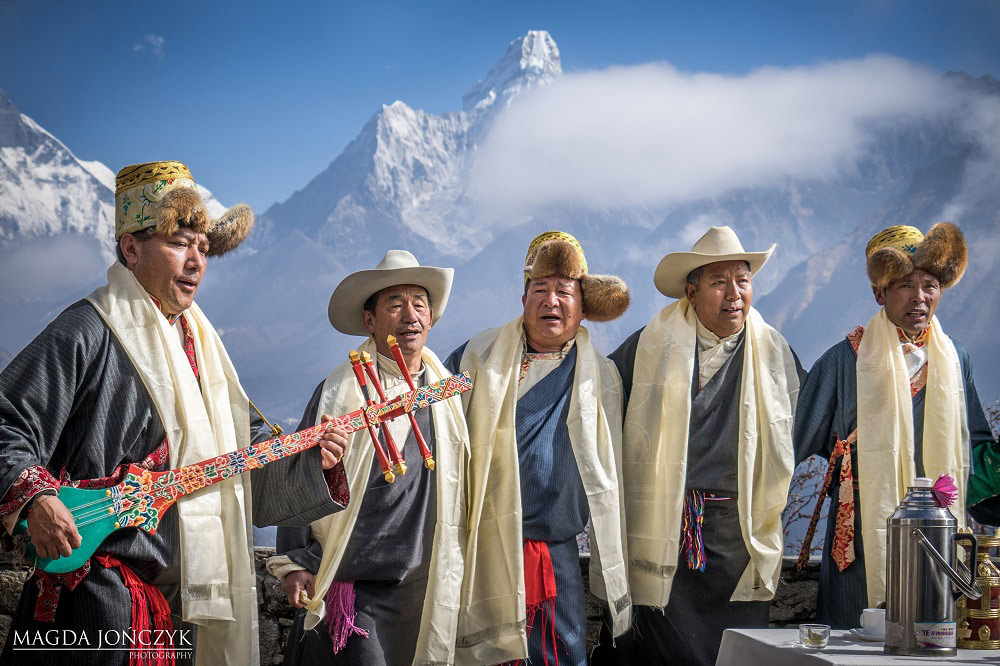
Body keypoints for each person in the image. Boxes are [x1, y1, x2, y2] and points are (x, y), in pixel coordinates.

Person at [0, 161, 349, 665]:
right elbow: (7, 418)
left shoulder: (204, 351)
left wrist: (312, 461)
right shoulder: (87, 330)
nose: (196, 261)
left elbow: (243, 456)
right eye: (179, 242)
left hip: (184, 603)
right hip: (97, 600)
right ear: (131, 248)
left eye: (203, 248)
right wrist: (35, 500)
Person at [604, 226, 804, 666]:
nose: (734, 294)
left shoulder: (774, 352)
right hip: (663, 529)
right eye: (719, 282)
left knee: (737, 650)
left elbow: (800, 429)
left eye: (743, 280)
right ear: (691, 294)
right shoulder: (649, 346)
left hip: (739, 535)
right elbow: (598, 409)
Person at [267, 250, 472, 665]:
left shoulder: (446, 394)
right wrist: (294, 562)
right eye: (395, 305)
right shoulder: (337, 394)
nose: (410, 315)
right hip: (352, 584)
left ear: (431, 318)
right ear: (371, 320)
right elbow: (300, 476)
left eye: (419, 304)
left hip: (422, 586)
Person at [795, 223, 1000, 628]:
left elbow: (973, 444)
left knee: (932, 634)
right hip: (864, 533)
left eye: (930, 284)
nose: (920, 297)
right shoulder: (844, 361)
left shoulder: (955, 358)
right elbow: (793, 441)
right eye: (906, 285)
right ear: (880, 293)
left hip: (940, 530)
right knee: (853, 638)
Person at [446, 231, 632, 666]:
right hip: (485, 545)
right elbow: (436, 421)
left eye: (564, 292)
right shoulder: (478, 357)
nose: (551, 301)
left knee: (559, 655)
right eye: (540, 289)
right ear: (522, 297)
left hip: (557, 552)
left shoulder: (601, 377)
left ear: (583, 306)